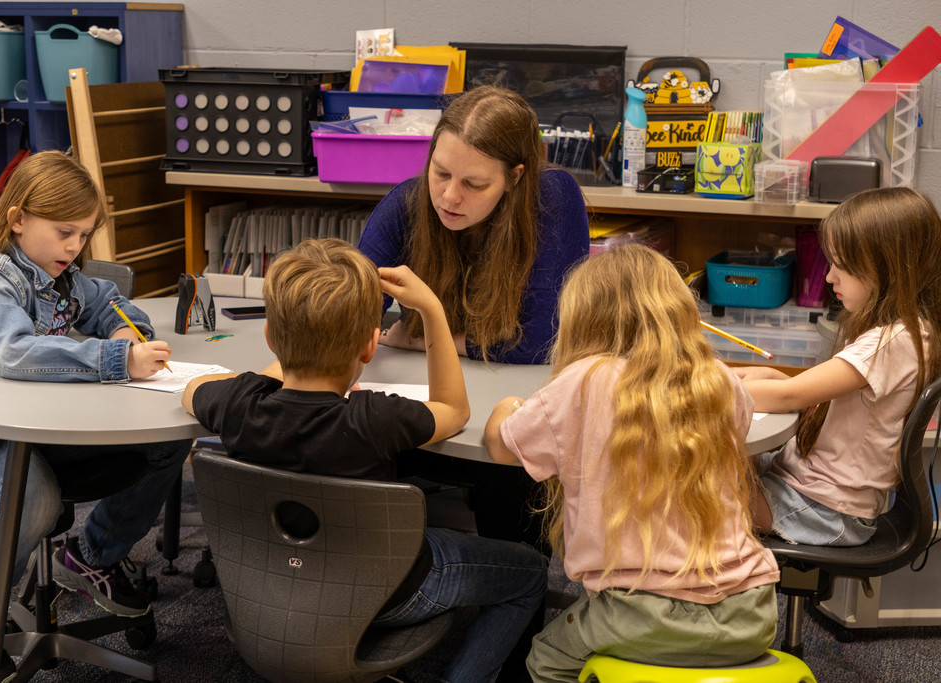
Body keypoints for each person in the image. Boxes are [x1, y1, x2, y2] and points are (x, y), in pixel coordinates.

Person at [182, 238, 548, 683]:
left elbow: (193, 389)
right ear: (370, 346)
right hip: (387, 594)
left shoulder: (236, 402)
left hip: (267, 583)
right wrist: (432, 309)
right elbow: (455, 411)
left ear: (270, 338)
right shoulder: (374, 417)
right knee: (529, 572)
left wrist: (285, 358)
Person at [0, 150, 192, 683]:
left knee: (168, 440)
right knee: (35, 496)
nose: (75, 246)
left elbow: (109, 299)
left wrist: (121, 330)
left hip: (37, 428)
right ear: (18, 219)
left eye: (84, 235)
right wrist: (116, 359)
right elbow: (16, 351)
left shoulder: (58, 273)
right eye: (65, 231)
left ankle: (92, 557)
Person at [484, 245, 780, 681]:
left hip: (641, 616)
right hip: (752, 611)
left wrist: (508, 406)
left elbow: (501, 447)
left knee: (545, 660)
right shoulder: (717, 378)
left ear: (583, 317)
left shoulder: (583, 380)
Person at [735, 187, 941, 547]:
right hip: (808, 486)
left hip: (824, 509)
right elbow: (807, 390)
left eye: (843, 266)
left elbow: (789, 395)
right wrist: (745, 377)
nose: (830, 277)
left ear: (888, 268)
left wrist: (701, 385)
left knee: (678, 493)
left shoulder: (895, 341)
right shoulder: (898, 332)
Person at [358, 85, 589, 365]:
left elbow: (546, 340)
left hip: (519, 386)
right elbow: (353, 315)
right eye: (441, 172)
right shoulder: (404, 203)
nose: (450, 196)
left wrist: (424, 340)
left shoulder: (553, 196)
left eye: (474, 184)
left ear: (514, 178)